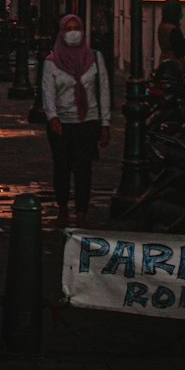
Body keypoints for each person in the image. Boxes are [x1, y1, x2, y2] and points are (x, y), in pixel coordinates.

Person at [41, 14, 111, 229]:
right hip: (61, 122)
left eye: (76, 28)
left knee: (83, 169)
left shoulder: (94, 58)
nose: (73, 33)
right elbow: (48, 91)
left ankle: (81, 212)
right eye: (68, 28)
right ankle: (63, 208)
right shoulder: (52, 62)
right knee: (62, 167)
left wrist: (104, 122)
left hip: (87, 121)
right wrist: (52, 116)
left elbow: (103, 90)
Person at [156, 0, 185, 67]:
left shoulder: (162, 26)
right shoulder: (173, 29)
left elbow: (178, 43)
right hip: (175, 64)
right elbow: (179, 50)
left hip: (163, 62)